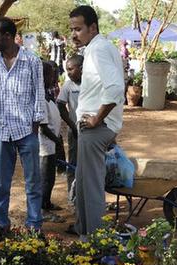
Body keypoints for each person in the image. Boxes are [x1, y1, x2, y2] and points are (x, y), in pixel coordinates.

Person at [0, 17, 44, 239]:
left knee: (32, 182)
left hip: (26, 132)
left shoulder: (32, 61)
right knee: (1, 184)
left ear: (7, 36)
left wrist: (35, 127)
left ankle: (34, 224)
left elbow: (39, 96)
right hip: (2, 131)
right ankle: (2, 224)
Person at [69, 5, 125, 237]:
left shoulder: (99, 49)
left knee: (91, 187)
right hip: (93, 127)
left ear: (93, 27)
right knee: (83, 182)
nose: (74, 34)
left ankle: (95, 242)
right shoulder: (95, 48)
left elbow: (115, 88)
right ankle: (84, 233)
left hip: (96, 128)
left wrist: (96, 119)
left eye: (78, 29)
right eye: (72, 29)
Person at [56, 54, 83, 205]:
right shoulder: (68, 85)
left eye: (71, 69)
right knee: (73, 163)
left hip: (92, 131)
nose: (69, 73)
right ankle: (72, 197)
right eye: (67, 70)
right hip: (75, 131)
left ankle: (91, 196)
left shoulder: (92, 83)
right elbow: (60, 105)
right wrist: (73, 125)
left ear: (81, 68)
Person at [39, 61, 63, 219]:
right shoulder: (40, 96)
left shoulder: (48, 94)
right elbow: (43, 127)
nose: (53, 77)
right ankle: (42, 209)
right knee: (45, 179)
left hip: (51, 143)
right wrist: (57, 140)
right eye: (50, 74)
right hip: (45, 145)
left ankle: (46, 203)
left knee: (51, 177)